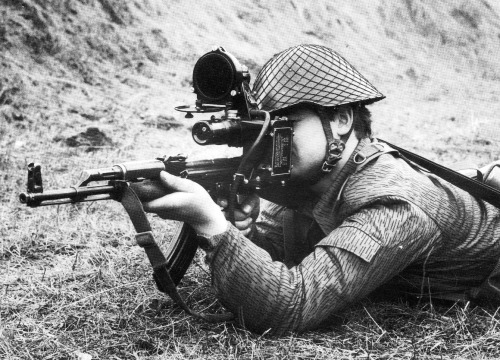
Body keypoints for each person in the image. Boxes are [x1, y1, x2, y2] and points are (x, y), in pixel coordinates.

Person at [136, 44, 500, 335]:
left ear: (341, 119)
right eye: (261, 127)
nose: (268, 142)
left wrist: (210, 223)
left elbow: (290, 305)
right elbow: (286, 258)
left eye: (286, 124)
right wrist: (243, 232)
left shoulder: (393, 205)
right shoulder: (318, 178)